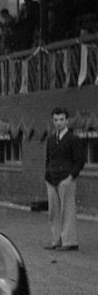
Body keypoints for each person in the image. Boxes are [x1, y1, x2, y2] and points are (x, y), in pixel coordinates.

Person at [44, 107, 85, 251]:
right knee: (53, 212)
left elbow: (80, 161)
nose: (58, 123)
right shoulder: (50, 139)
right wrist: (47, 174)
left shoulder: (73, 139)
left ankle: (70, 241)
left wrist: (70, 177)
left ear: (67, 121)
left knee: (67, 211)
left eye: (61, 119)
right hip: (51, 179)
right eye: (55, 120)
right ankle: (56, 240)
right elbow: (48, 159)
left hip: (65, 180)